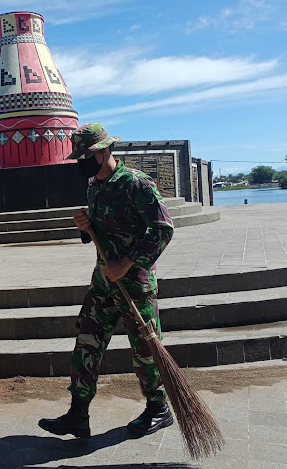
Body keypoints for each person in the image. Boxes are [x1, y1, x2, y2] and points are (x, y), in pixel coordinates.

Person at [38, 122, 175, 438]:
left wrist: (128, 263)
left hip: (135, 286)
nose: (80, 161)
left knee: (145, 352)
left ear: (102, 152)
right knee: (86, 346)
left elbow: (163, 229)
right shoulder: (93, 187)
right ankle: (77, 415)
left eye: (85, 155)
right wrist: (84, 226)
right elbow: (100, 233)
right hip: (103, 286)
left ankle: (158, 409)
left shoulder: (136, 184)